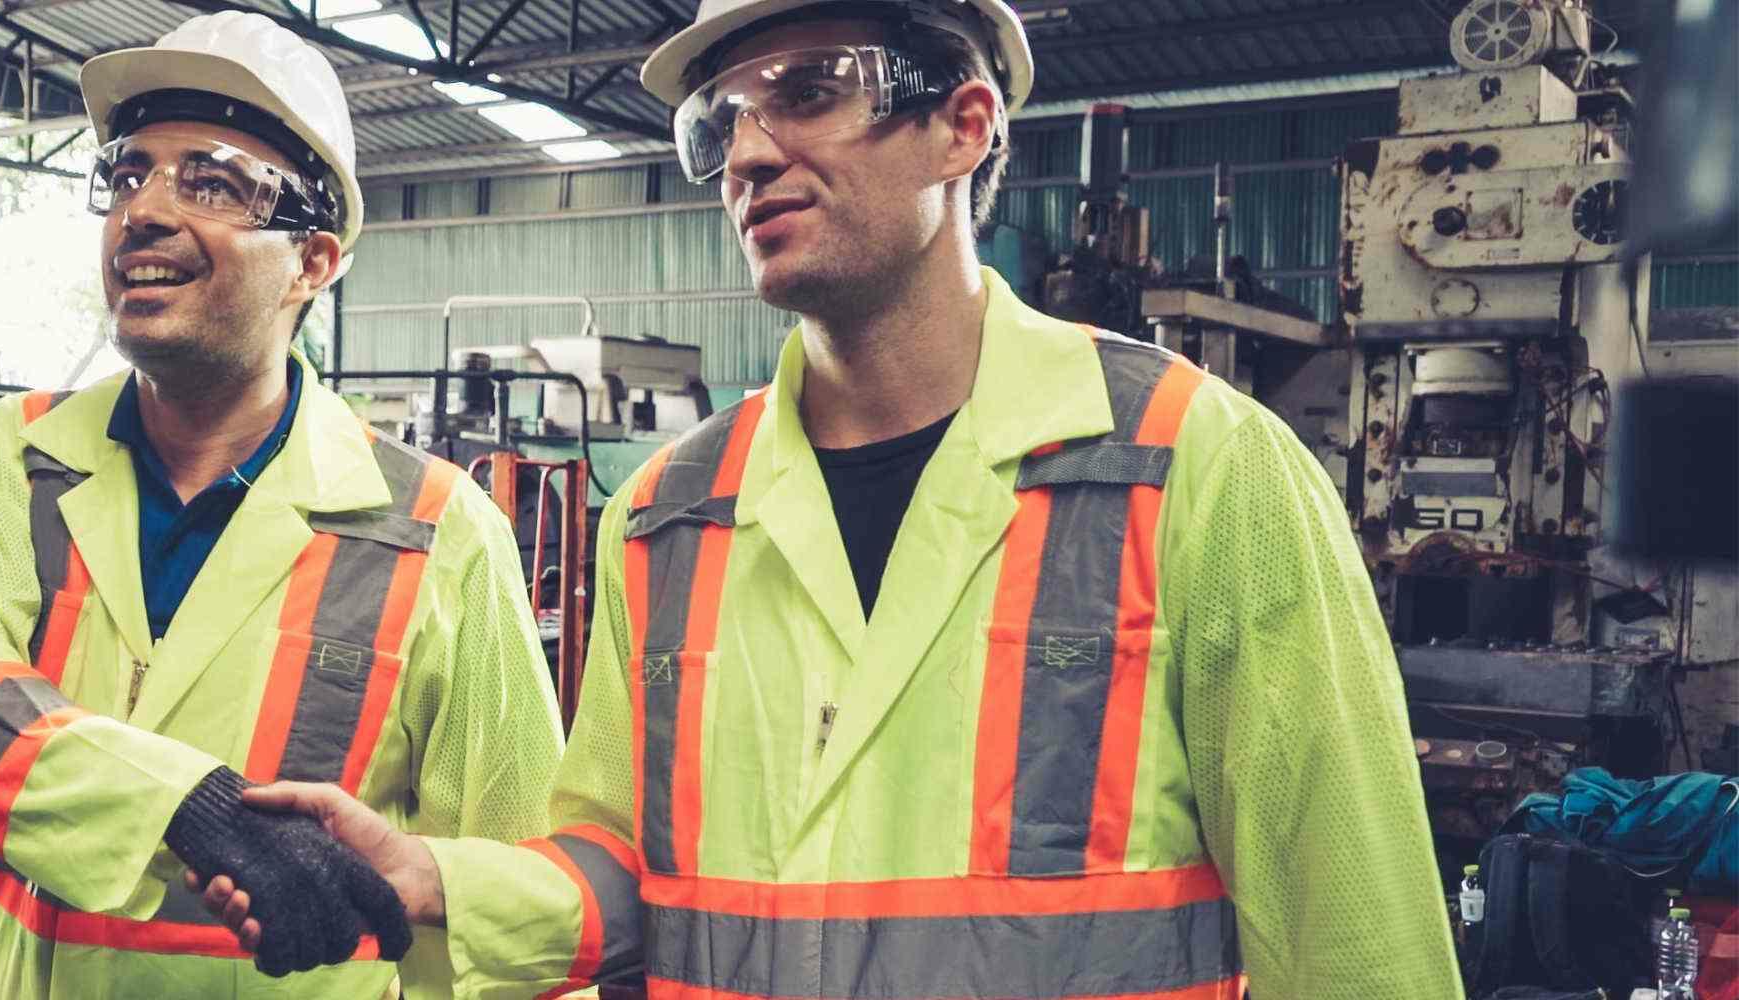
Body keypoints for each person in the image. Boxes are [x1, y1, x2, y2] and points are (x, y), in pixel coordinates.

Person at [196, 1, 1462, 997]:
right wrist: (441, 878)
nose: (748, 149)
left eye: (808, 92)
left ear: (964, 126)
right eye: (724, 119)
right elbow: (623, 868)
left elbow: (1356, 942)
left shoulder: (1198, 470)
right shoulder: (669, 515)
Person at [0, 11, 565, 998]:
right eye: (127, 174)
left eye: (213, 180)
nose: (141, 211)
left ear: (313, 261)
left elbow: (513, 894)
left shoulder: (438, 533)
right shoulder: (13, 461)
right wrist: (186, 805)